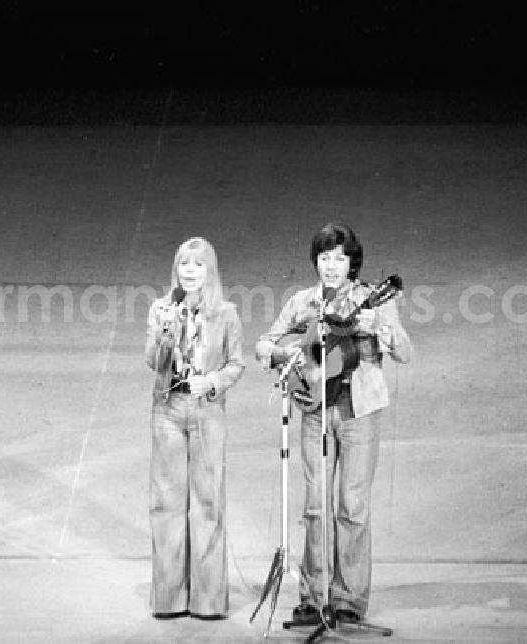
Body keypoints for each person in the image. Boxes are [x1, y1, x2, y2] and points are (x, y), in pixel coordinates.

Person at [255, 222, 412, 624]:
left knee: (352, 507)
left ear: (352, 262)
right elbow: (264, 344)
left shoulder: (373, 301)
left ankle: (348, 601)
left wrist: (378, 326)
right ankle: (313, 596)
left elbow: (405, 353)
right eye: (324, 258)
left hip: (359, 412)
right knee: (315, 505)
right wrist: (289, 356)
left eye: (339, 258)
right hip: (315, 411)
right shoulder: (302, 301)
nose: (331, 266)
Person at [145, 237, 245, 619]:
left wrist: (215, 381)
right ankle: (168, 598)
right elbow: (152, 361)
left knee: (207, 502)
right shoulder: (160, 309)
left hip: (206, 411)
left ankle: (208, 601)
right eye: (184, 263)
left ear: (210, 271)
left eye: (197, 265)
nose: (189, 271)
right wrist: (167, 335)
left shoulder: (226, 314)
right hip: (168, 409)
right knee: (166, 502)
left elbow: (237, 364)